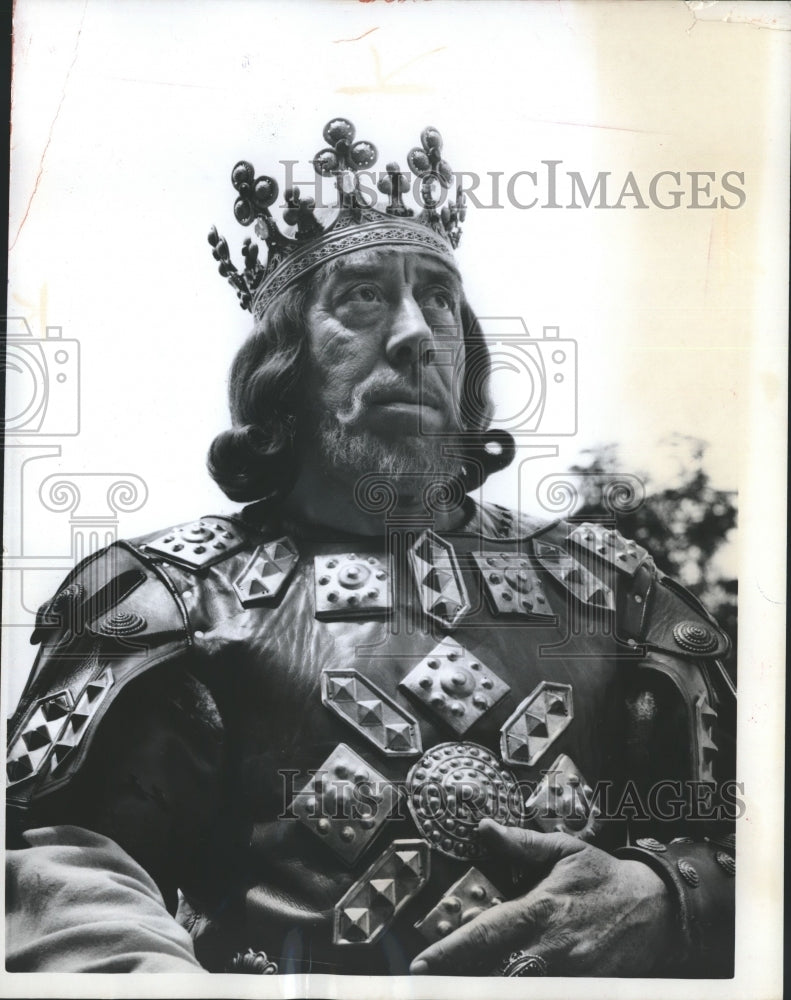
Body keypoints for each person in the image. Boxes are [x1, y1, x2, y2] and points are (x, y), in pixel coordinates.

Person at [5, 118, 736, 977]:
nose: (416, 333)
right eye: (360, 297)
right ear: (285, 361)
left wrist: (667, 895)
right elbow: (63, 866)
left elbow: (741, 840)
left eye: (437, 298)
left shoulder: (616, 592)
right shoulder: (167, 596)